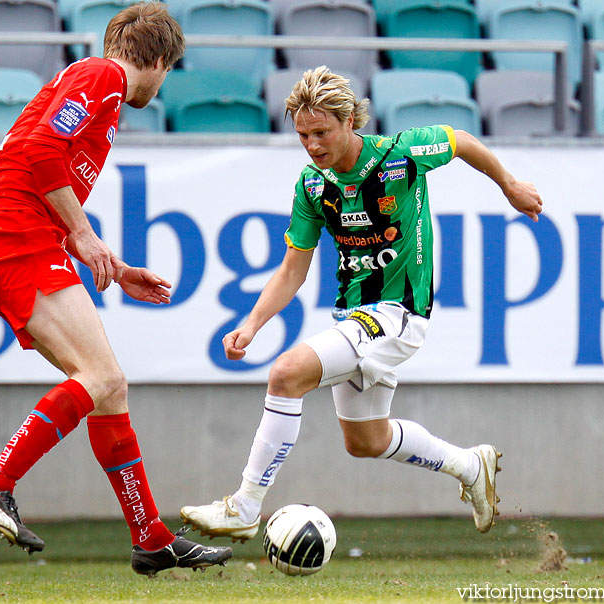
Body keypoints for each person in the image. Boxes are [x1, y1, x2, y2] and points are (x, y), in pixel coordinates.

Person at [180, 65, 543, 542]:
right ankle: (469, 466)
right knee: (366, 441)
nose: (312, 145)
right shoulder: (313, 186)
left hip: (398, 313)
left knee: (286, 374)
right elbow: (293, 267)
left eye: (322, 132)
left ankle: (245, 506)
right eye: (303, 135)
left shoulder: (402, 153)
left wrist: (509, 185)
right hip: (355, 317)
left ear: (350, 119)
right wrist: (252, 325)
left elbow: (461, 141)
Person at [0, 2, 232, 576]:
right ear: (157, 60)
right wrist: (83, 236)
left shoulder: (92, 88)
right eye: (169, 70)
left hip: (9, 238)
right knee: (104, 378)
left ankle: (151, 540)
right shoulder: (104, 76)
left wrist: (117, 265)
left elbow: (43, 163)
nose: (163, 82)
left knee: (108, 389)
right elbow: (39, 154)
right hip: (11, 236)